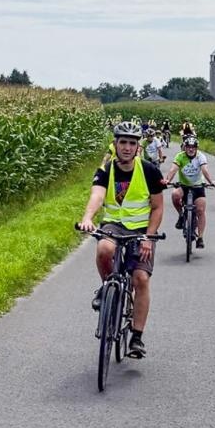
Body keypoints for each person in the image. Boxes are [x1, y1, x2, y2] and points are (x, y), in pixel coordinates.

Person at [78, 121, 165, 359]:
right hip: (114, 225)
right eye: (123, 142)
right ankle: (107, 287)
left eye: (132, 143)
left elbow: (157, 207)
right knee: (105, 249)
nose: (127, 147)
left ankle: (136, 337)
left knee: (140, 278)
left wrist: (148, 237)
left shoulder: (149, 170)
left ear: (138, 147)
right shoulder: (105, 170)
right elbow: (97, 195)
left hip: (140, 229)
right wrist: (87, 217)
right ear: (115, 144)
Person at [162, 134, 215, 248]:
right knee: (175, 194)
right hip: (184, 186)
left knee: (201, 210)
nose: (191, 149)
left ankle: (200, 238)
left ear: (196, 148)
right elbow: (173, 169)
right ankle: (181, 215)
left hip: (198, 186)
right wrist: (167, 180)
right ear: (184, 147)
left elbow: (204, 170)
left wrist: (211, 181)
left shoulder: (200, 157)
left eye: (193, 147)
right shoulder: (180, 156)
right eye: (188, 147)